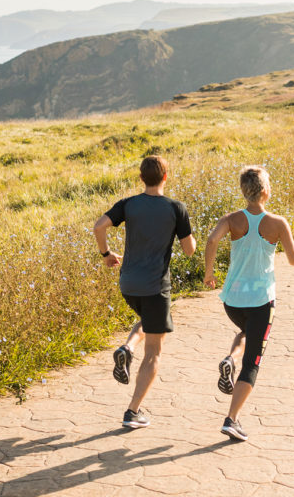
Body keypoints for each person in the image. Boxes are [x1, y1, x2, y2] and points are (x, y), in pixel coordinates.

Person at [93, 155, 196, 429]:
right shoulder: (176, 208)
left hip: (128, 284)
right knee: (154, 351)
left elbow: (98, 226)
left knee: (149, 323)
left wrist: (106, 253)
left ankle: (127, 346)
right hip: (155, 287)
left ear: (141, 178)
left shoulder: (128, 205)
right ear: (166, 177)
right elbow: (189, 250)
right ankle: (133, 411)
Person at [203, 165, 294, 441]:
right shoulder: (278, 223)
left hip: (232, 300)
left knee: (245, 333)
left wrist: (209, 273)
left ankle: (230, 360)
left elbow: (212, 239)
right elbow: (293, 260)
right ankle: (231, 420)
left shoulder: (232, 219)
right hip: (261, 301)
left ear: (244, 192)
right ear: (266, 192)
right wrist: (291, 253)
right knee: (253, 361)